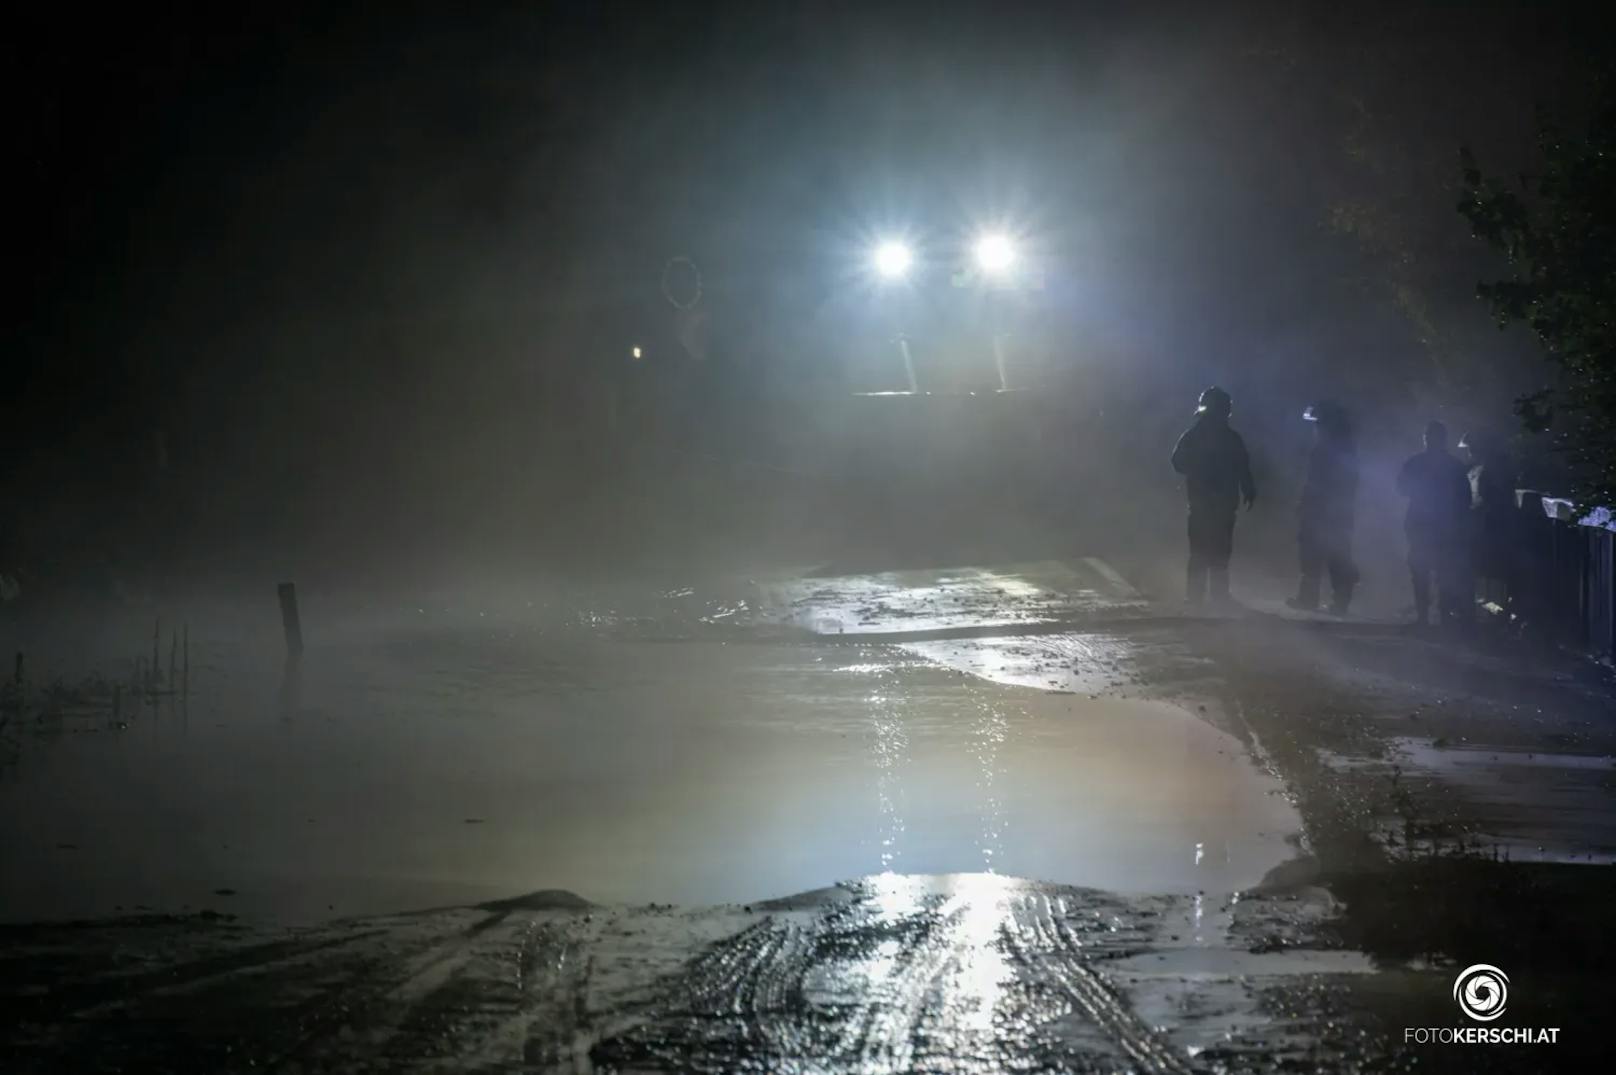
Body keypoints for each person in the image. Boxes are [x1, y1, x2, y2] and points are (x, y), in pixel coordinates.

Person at [1171, 386, 1256, 606]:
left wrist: (1247, 487)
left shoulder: (1197, 435)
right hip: (1212, 504)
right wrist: (1247, 488)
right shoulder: (1227, 438)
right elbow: (1178, 462)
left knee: (1212, 551)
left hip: (1210, 504)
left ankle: (1203, 596)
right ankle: (1208, 596)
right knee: (1210, 551)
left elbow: (1242, 466)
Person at [1395, 420, 1473, 627]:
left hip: (1426, 525)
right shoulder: (1454, 467)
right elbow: (1466, 500)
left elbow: (1401, 489)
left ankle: (1428, 616)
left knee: (1425, 571)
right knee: (1439, 571)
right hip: (1439, 526)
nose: (1429, 440)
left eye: (1430, 437)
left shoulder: (1416, 463)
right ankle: (1439, 616)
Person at [1288, 400, 1360, 615]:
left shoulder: (1327, 451)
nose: (1315, 429)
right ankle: (1333, 601)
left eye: (1318, 424)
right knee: (1328, 556)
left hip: (1324, 513)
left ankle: (1318, 600)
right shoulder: (1344, 450)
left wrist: (1307, 506)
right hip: (1334, 513)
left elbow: (1316, 484)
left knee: (1322, 556)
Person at [1461, 430, 1518, 610]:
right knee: (1483, 568)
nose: (1469, 452)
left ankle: (1496, 608)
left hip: (1491, 526)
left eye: (1471, 448)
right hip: (1483, 525)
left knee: (1493, 569)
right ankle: (1487, 607)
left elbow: (1489, 498)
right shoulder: (1477, 468)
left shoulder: (1491, 469)